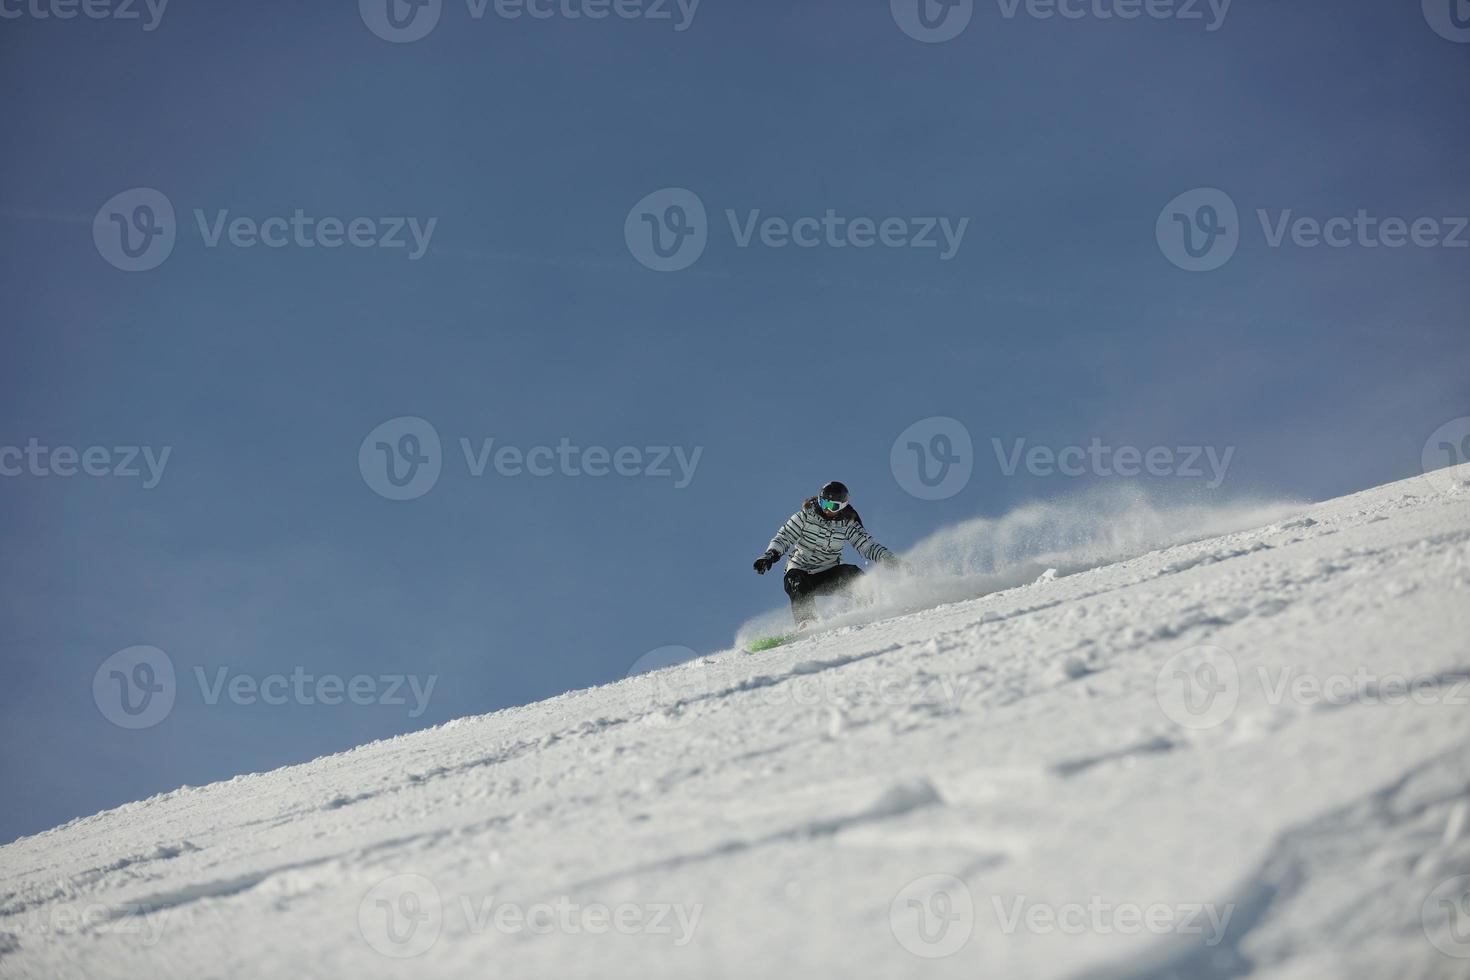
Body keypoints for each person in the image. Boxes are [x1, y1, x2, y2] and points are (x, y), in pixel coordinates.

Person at [752, 481, 901, 629]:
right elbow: (785, 536)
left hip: (827, 572)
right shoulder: (805, 516)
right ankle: (807, 623)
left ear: (842, 506)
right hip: (801, 570)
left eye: (833, 506)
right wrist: (769, 555)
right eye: (824, 503)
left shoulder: (847, 523)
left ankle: (874, 606)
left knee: (852, 574)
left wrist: (889, 559)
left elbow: (867, 546)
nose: (827, 509)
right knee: (797, 583)